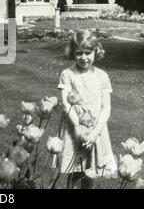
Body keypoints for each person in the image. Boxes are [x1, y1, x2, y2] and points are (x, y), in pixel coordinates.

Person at [57, 29, 117, 189]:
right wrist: (79, 128)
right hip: (74, 128)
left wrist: (96, 132)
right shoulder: (67, 74)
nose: (84, 57)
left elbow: (106, 108)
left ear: (95, 52)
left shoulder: (102, 76)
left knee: (91, 171)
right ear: (73, 53)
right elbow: (65, 102)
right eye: (79, 53)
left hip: (96, 130)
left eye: (88, 52)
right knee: (75, 170)